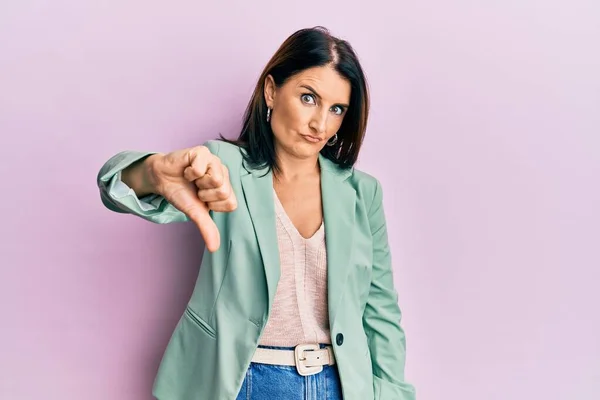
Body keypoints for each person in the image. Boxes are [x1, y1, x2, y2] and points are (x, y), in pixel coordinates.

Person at [97, 26, 416, 400]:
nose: (320, 124)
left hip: (339, 384)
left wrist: (392, 393)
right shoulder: (222, 167)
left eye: (336, 109)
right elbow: (113, 183)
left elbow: (381, 313)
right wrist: (151, 172)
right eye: (308, 98)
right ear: (271, 91)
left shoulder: (363, 193)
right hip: (241, 381)